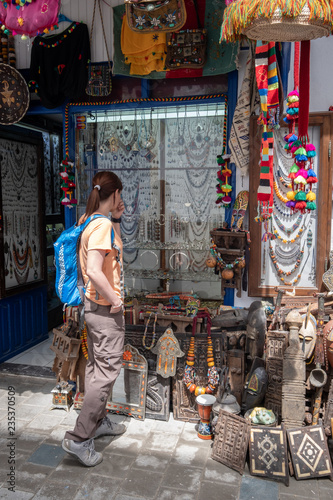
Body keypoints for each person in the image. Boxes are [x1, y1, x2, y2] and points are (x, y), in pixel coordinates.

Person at [62, 171, 126, 467]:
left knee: (97, 368)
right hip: (104, 310)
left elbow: (112, 257)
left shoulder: (91, 220)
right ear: (113, 195)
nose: (122, 200)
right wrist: (115, 300)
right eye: (120, 195)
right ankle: (79, 438)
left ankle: (98, 422)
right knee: (105, 374)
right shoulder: (99, 226)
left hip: (94, 308)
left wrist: (116, 219)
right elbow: (96, 270)